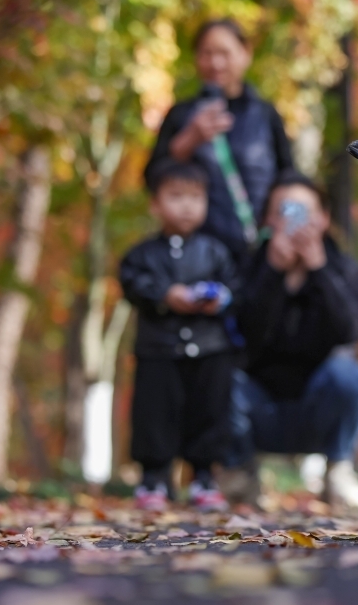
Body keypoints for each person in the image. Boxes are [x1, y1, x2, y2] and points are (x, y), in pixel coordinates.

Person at [225, 170, 358, 510]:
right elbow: (242, 336)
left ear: (323, 218)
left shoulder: (341, 266)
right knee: (218, 373)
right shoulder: (250, 264)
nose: (293, 221)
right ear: (268, 219)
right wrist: (273, 273)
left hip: (318, 406)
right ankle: (240, 475)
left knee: (349, 373)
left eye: (303, 211)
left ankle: (338, 470)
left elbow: (351, 331)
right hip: (259, 406)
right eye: (284, 211)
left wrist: (319, 270)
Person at [119, 159, 238, 512]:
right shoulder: (142, 254)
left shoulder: (215, 251)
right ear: (156, 204)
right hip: (159, 349)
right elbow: (131, 283)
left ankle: (204, 477)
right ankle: (153, 478)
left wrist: (219, 298)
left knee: (209, 411)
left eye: (195, 197)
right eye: (175, 196)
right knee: (155, 413)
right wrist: (165, 294)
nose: (186, 205)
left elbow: (235, 286)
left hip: (210, 347)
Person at [144, 18, 295, 264]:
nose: (215, 63)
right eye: (206, 54)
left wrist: (283, 229)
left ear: (245, 54)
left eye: (224, 53)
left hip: (259, 251)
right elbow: (152, 180)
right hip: (197, 253)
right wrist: (189, 139)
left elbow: (289, 179)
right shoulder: (181, 115)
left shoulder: (266, 115)